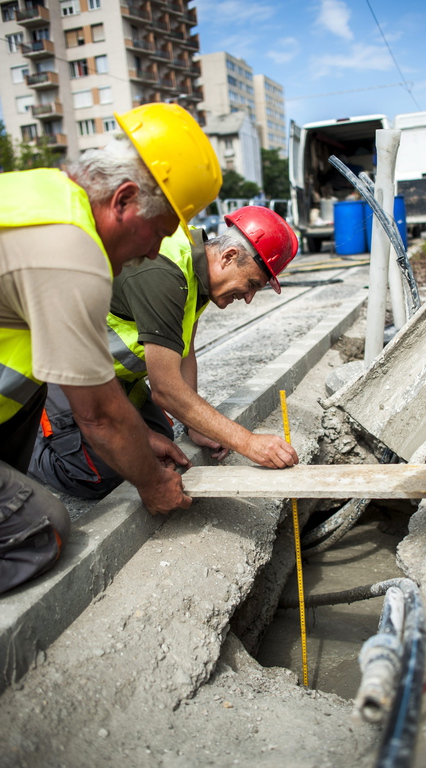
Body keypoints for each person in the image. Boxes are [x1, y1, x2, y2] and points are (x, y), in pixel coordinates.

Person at [0, 102, 222, 594]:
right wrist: (151, 482)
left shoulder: (42, 191)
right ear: (123, 200)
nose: (150, 253)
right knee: (42, 532)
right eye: (157, 233)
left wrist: (139, 445)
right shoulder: (72, 254)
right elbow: (98, 415)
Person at [28, 207, 300, 499]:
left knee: (159, 444)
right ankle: (20, 442)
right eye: (252, 284)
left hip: (109, 377)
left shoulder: (202, 275)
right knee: (97, 473)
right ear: (229, 256)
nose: (248, 298)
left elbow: (185, 352)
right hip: (55, 364)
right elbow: (166, 391)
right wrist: (248, 443)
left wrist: (193, 426)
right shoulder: (165, 272)